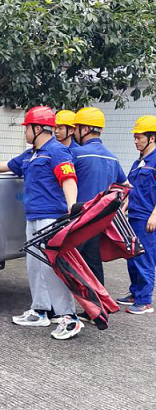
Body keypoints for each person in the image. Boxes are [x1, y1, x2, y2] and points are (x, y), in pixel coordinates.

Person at [0, 106, 82, 340]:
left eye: (27, 128)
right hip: (33, 217)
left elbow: (68, 179)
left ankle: (69, 318)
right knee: (34, 266)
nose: (25, 132)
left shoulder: (57, 151)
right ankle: (40, 311)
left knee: (51, 268)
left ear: (38, 128)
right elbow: (9, 165)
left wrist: (72, 206)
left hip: (52, 218)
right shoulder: (31, 154)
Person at [72, 107, 126, 290]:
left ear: (85, 129)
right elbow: (126, 186)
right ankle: (98, 302)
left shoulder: (76, 154)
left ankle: (62, 304)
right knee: (92, 261)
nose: (74, 133)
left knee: (68, 261)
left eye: (76, 128)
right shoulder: (113, 158)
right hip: (99, 219)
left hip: (78, 218)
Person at [117, 115, 156, 315]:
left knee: (145, 258)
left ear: (152, 138)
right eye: (135, 137)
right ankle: (135, 293)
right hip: (133, 216)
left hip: (147, 218)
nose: (135, 141)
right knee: (132, 257)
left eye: (139, 137)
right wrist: (122, 209)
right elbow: (131, 190)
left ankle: (145, 300)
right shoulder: (138, 163)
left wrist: (154, 216)